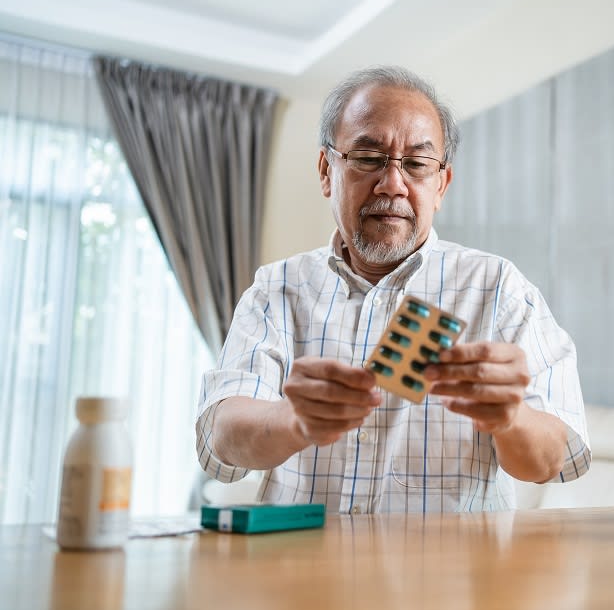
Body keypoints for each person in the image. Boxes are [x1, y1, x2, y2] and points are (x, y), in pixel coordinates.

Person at [196, 66, 590, 513]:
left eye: (418, 165)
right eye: (368, 158)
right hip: (300, 572)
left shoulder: (499, 288)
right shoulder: (275, 290)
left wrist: (510, 417)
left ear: (440, 184)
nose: (393, 184)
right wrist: (293, 419)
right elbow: (222, 439)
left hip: (450, 577)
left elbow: (555, 459)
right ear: (328, 170)